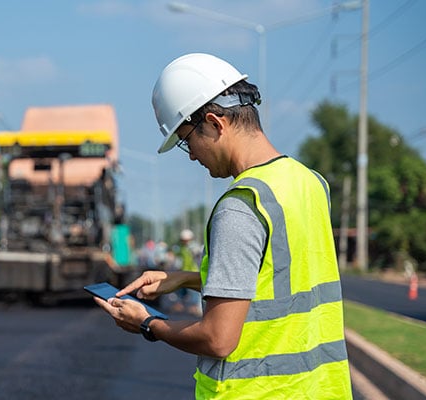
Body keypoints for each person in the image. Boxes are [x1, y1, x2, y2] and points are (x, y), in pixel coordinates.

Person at [94, 53, 352, 399]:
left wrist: (146, 323)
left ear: (215, 123)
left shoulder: (242, 205)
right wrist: (186, 278)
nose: (190, 155)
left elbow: (217, 339)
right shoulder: (310, 183)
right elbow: (277, 279)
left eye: (186, 139)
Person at [172, 229, 202, 316]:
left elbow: (198, 257)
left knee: (194, 291)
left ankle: (194, 307)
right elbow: (178, 258)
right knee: (181, 289)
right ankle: (179, 305)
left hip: (193, 271)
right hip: (183, 270)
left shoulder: (194, 247)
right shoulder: (180, 248)